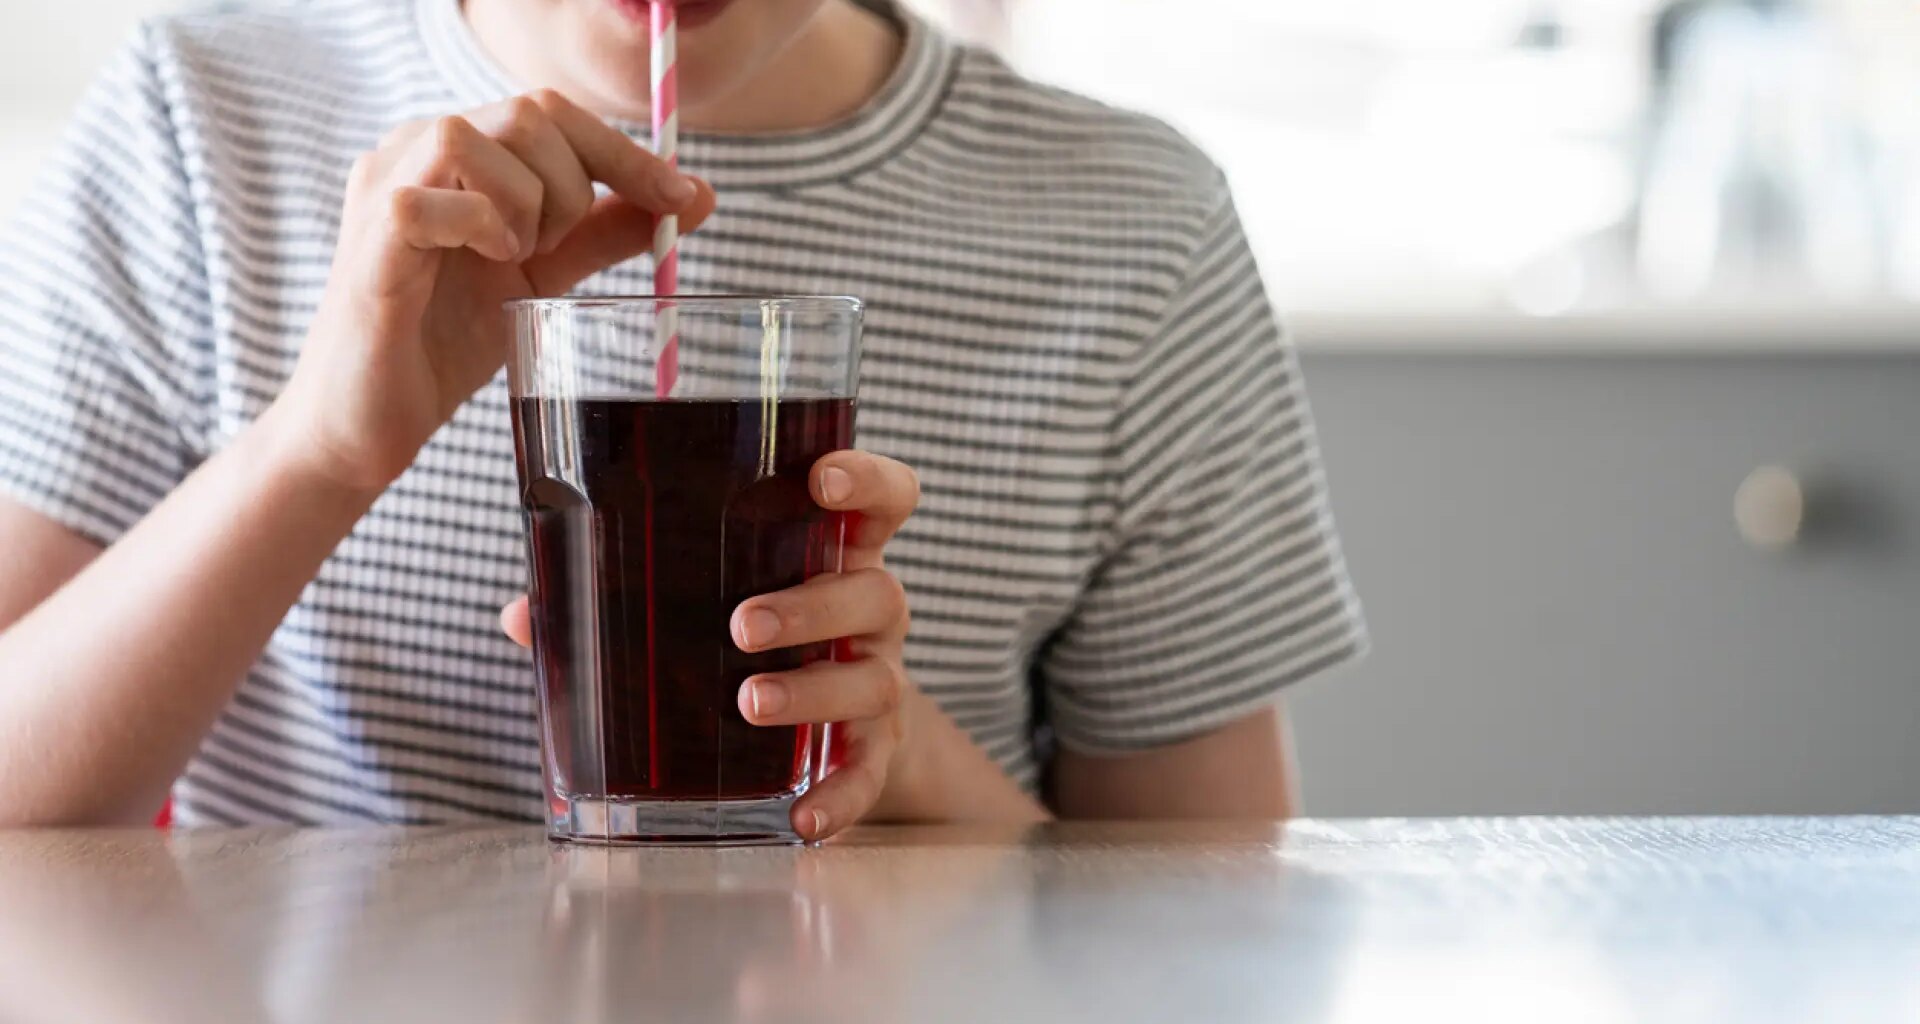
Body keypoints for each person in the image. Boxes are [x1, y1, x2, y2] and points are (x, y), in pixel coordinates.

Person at [0, 0, 1366, 835]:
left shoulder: (1133, 224)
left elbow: (1214, 927)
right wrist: (321, 449)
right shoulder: (201, 120)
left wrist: (907, 774)